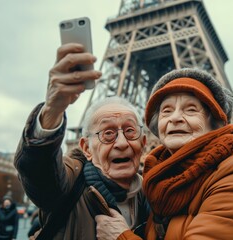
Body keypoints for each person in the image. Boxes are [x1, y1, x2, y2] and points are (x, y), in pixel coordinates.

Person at [95, 68, 233, 239]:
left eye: (190, 110)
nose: (175, 118)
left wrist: (121, 237)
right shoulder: (162, 182)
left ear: (214, 125)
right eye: (166, 111)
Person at [13, 42, 149, 239]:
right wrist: (52, 111)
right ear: (86, 148)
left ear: (144, 143)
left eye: (130, 131)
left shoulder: (156, 198)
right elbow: (39, 172)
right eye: (108, 134)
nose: (121, 143)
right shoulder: (68, 185)